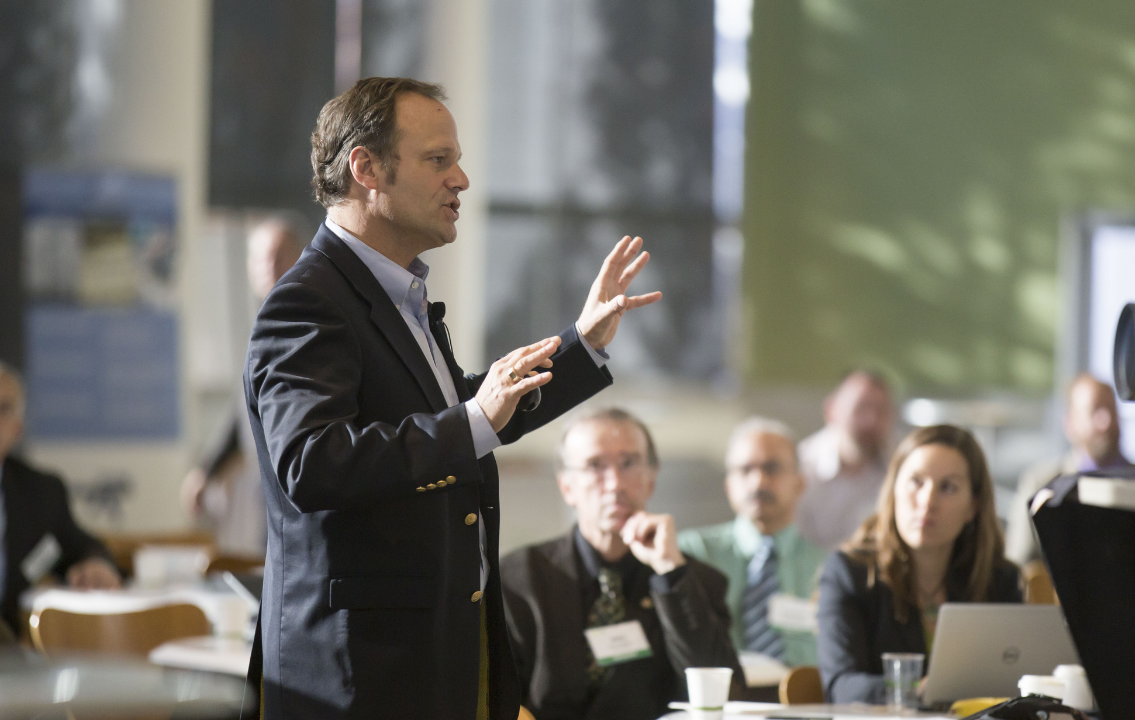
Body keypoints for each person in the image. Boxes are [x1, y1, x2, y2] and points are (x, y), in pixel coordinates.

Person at [243, 78, 660, 720]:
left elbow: (461, 413)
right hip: (356, 679)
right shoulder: (308, 302)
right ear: (366, 168)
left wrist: (581, 347)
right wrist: (472, 421)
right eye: (438, 160)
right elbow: (312, 461)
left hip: (431, 659)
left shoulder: (395, 293)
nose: (461, 179)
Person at [501, 408, 744, 720]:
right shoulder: (519, 579)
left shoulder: (694, 581)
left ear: (651, 479)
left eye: (628, 463)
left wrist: (671, 574)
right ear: (567, 487)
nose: (615, 483)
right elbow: (494, 697)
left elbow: (728, 692)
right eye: (594, 465)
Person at [817, 424, 1020, 704]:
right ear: (893, 490)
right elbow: (841, 687)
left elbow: (1017, 682)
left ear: (973, 507)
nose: (927, 502)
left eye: (948, 487)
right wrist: (917, 691)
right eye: (916, 481)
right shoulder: (848, 573)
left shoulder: (1000, 580)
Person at [180, 218, 306, 557]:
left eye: (278, 256)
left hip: (299, 480)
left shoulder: (309, 317)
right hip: (262, 490)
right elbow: (243, 410)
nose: (269, 267)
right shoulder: (265, 321)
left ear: (300, 257)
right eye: (261, 259)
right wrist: (206, 470)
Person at [678, 417, 826, 668]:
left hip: (805, 702)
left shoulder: (828, 567)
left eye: (772, 468)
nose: (758, 482)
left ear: (799, 483)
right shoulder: (693, 552)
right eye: (745, 470)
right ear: (728, 486)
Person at [0, 360, 120, 635]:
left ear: (18, 428)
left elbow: (81, 547)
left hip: (8, 651)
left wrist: (95, 565)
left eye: (4, 409)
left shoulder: (40, 492)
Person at [1005, 373, 1129, 566]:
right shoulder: (1041, 483)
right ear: (1070, 424)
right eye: (1095, 411)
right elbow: (1018, 564)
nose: (1105, 422)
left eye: (1110, 409)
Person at [796, 371, 896, 549]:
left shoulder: (901, 468)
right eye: (861, 408)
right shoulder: (800, 466)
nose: (871, 420)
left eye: (881, 411)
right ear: (831, 410)